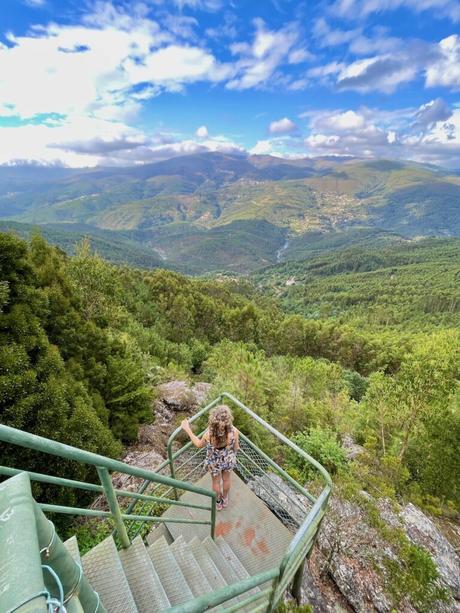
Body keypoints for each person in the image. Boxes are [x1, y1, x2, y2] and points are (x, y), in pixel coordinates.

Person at [181, 404, 239, 511]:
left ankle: (218, 502)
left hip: (214, 462)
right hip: (228, 459)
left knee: (216, 482)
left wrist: (187, 429)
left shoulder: (209, 434)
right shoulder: (234, 432)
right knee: (226, 479)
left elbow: (198, 444)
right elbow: (236, 448)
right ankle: (225, 499)